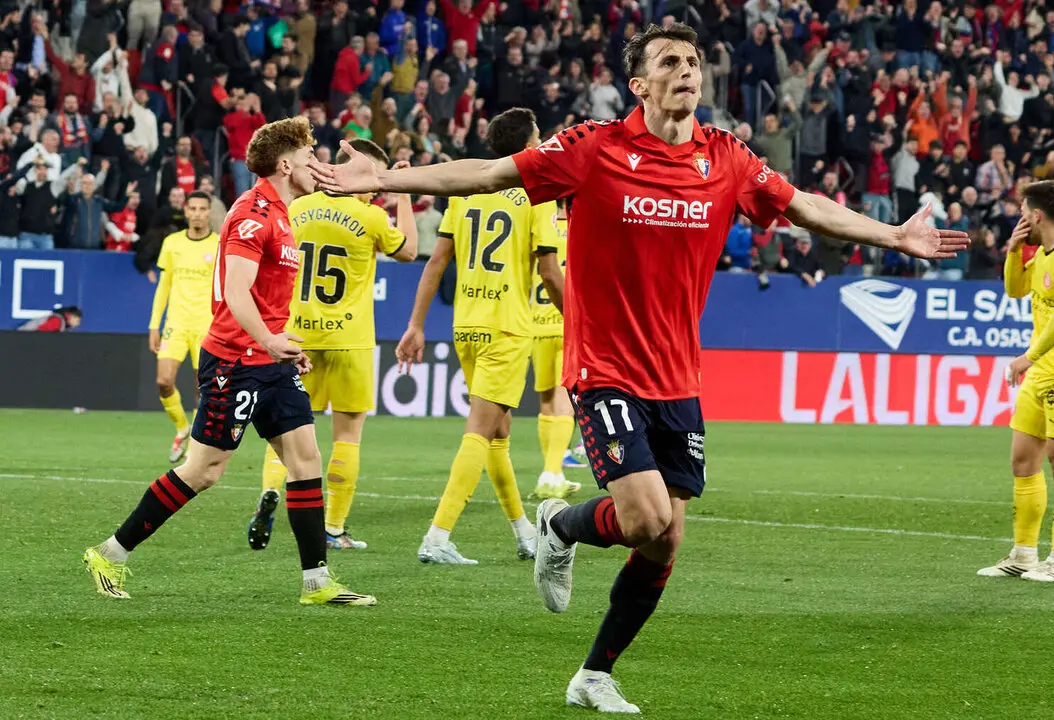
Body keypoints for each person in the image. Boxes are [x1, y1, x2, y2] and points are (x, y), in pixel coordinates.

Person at [312, 23, 966, 712]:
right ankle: (562, 529)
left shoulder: (727, 159)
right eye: (670, 62)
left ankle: (592, 665)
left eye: (693, 61)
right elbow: (489, 173)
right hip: (605, 369)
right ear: (639, 83)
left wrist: (893, 234)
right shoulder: (595, 147)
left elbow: (804, 207)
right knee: (648, 515)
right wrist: (383, 179)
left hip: (679, 379)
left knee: (663, 538)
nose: (687, 71)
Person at [83, 117, 375, 606]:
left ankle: (317, 583)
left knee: (306, 460)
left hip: (270, 358)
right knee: (204, 470)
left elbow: (267, 288)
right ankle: (109, 551)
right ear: (286, 164)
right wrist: (269, 339)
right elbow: (236, 294)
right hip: (234, 361)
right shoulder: (251, 215)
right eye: (308, 156)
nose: (316, 165)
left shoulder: (286, 208)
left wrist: (366, 170)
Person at [395, 107, 564, 566]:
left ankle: (524, 531)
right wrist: (581, 321)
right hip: (507, 327)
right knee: (479, 432)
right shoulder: (537, 194)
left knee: (497, 432)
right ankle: (438, 534)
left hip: (466, 325)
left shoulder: (467, 192)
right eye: (538, 139)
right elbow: (549, 272)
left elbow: (435, 262)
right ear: (529, 146)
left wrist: (415, 324)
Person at [255, 139, 419, 551]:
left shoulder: (298, 207)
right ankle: (332, 527)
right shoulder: (371, 215)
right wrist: (403, 198)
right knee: (348, 436)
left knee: (286, 429)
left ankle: (272, 489)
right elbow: (411, 251)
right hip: (350, 341)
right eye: (376, 178)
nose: (377, 187)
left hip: (298, 337)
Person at [981, 180, 1054, 584]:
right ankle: (1023, 554)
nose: (1018, 217)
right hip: (1041, 372)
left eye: (1021, 210)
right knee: (1022, 461)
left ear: (1036, 214)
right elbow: (1015, 289)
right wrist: (1014, 251)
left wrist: (1026, 358)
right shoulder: (1043, 255)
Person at [147, 192, 218, 462]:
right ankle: (181, 427)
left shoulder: (220, 245)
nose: (198, 213)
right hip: (176, 323)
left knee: (204, 390)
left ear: (209, 212)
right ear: (186, 212)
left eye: (203, 208)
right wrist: (155, 325)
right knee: (163, 381)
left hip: (207, 326)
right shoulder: (172, 243)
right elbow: (163, 286)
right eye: (193, 208)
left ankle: (196, 447)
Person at [530, 200, 582, 500]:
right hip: (568, 322)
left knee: (547, 400)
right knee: (563, 397)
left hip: (537, 321)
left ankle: (554, 474)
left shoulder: (538, 227)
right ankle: (551, 472)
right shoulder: (579, 229)